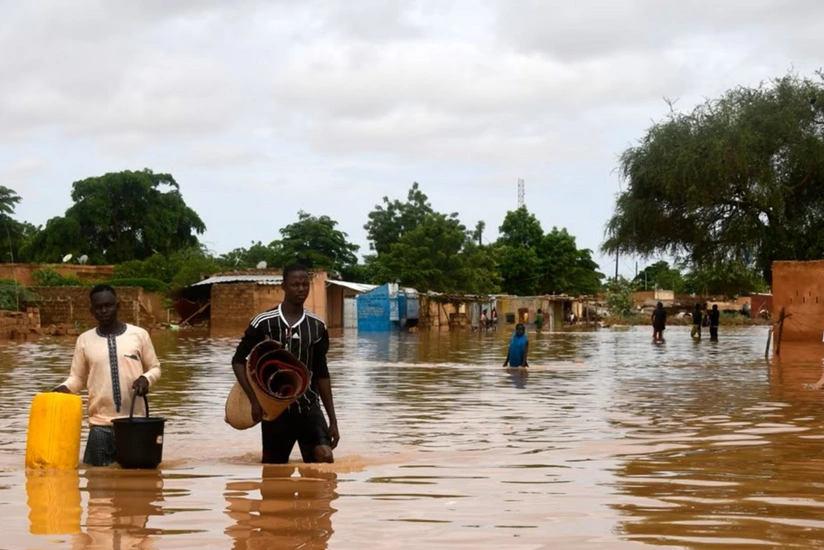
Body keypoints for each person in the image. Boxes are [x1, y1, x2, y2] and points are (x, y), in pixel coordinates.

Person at [232, 263, 339, 464]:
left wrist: (333, 420)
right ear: (283, 287)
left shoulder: (317, 326)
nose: (301, 289)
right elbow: (238, 361)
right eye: (295, 285)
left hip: (308, 407)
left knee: (324, 457)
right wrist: (254, 400)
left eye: (305, 285)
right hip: (274, 411)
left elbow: (322, 373)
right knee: (273, 471)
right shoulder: (263, 322)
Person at [54, 284, 161, 467]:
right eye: (99, 307)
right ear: (92, 311)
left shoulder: (139, 335)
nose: (104, 310)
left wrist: (146, 378)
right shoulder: (84, 340)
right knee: (97, 482)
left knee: (136, 485)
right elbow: (78, 378)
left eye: (108, 305)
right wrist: (64, 388)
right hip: (100, 425)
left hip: (135, 424)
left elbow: (155, 368)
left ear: (117, 306)